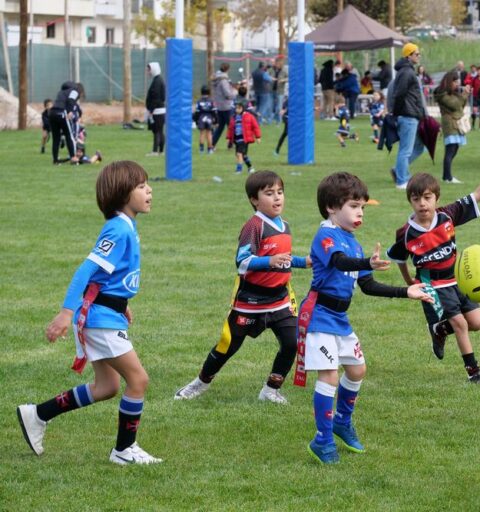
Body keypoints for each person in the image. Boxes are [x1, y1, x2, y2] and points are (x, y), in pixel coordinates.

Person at [17, 161, 161, 465]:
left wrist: (122, 303)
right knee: (138, 380)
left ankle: (37, 414)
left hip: (107, 313)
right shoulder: (118, 229)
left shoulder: (127, 225)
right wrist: (64, 313)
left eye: (147, 184)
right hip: (100, 319)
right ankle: (124, 450)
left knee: (107, 387)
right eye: (141, 186)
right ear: (122, 193)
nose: (149, 190)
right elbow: (86, 271)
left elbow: (109, 275)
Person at [299, 172, 433, 464]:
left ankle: (341, 422)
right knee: (329, 375)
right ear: (331, 208)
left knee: (357, 370)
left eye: (362, 207)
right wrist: (366, 263)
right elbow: (339, 262)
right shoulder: (326, 235)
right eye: (353, 206)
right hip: (319, 315)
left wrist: (406, 291)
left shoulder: (354, 243)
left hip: (339, 318)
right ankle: (322, 441)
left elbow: (368, 286)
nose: (360, 212)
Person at [174, 171, 310, 404]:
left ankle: (270, 390)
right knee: (228, 345)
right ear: (254, 200)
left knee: (291, 343)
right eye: (269, 193)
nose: (277, 197)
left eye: (280, 192)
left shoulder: (284, 225)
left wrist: (302, 262)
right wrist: (268, 261)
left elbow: (283, 259)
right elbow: (242, 262)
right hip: (250, 302)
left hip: (280, 301)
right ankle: (200, 383)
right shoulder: (254, 226)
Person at [388, 148, 480, 382]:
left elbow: (478, 195)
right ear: (410, 201)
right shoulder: (405, 233)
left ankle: (439, 329)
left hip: (457, 280)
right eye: (416, 199)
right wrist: (409, 281)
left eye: (427, 197)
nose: (422, 204)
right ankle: (474, 373)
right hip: (432, 286)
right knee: (460, 323)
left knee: (477, 322)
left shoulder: (447, 215)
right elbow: (398, 257)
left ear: (436, 198)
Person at [390, 43, 427, 189]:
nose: (419, 56)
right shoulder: (406, 72)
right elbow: (399, 94)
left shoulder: (408, 71)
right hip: (408, 116)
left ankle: (398, 170)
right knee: (405, 150)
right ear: (408, 55)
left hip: (412, 115)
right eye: (416, 54)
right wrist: (398, 113)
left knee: (419, 147)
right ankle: (402, 180)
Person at [434, 70, 470, 184]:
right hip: (450, 124)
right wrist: (464, 95)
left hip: (456, 123)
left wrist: (464, 95)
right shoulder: (442, 94)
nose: (457, 84)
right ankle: (448, 177)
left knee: (454, 149)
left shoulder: (452, 93)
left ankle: (446, 176)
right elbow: (455, 105)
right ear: (449, 81)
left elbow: (460, 106)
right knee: (450, 150)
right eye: (455, 82)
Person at [49, 81, 83, 165]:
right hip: (61, 112)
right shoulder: (74, 91)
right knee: (69, 135)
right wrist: (70, 111)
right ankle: (73, 157)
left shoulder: (61, 92)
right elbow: (71, 100)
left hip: (52, 113)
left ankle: (55, 160)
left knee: (56, 138)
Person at [227, 101, 261, 174]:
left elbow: (255, 127)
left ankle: (238, 170)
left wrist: (258, 137)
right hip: (237, 139)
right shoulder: (234, 118)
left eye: (239, 108)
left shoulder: (249, 116)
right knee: (243, 155)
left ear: (243, 109)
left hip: (244, 139)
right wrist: (229, 138)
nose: (237, 110)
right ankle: (250, 167)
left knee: (239, 154)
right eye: (236, 108)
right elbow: (230, 128)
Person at [212, 63, 237, 149]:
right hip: (227, 106)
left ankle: (212, 144)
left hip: (219, 106)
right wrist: (235, 93)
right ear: (227, 70)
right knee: (231, 127)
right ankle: (232, 143)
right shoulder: (224, 80)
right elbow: (227, 94)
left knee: (220, 127)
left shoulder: (216, 79)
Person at [145, 62, 166, 156]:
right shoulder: (158, 80)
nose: (148, 72)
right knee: (160, 130)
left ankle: (155, 151)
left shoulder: (157, 81)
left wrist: (151, 110)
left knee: (156, 131)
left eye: (149, 70)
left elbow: (156, 97)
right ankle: (161, 151)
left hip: (157, 111)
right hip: (159, 110)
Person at [194, 85, 217, 154]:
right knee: (209, 134)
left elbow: (197, 112)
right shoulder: (211, 101)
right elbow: (214, 111)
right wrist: (216, 120)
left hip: (201, 118)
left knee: (202, 134)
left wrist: (196, 120)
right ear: (209, 92)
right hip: (209, 117)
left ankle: (201, 150)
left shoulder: (199, 101)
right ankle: (209, 149)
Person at [272, 58, 288, 125]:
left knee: (279, 107)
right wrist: (271, 78)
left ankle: (278, 121)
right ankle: (275, 119)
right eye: (276, 63)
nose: (276, 65)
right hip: (272, 90)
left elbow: (288, 78)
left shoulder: (284, 71)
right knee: (273, 106)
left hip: (280, 91)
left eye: (277, 64)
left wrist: (283, 80)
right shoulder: (273, 70)